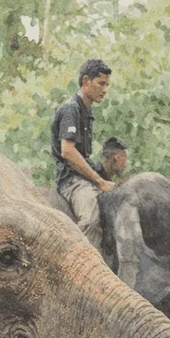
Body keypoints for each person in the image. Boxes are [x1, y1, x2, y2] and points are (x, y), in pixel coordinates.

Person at [51, 59, 114, 248]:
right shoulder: (71, 109)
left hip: (84, 178)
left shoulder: (86, 112)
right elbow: (68, 151)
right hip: (72, 181)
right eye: (101, 84)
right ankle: (83, 271)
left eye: (107, 85)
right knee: (91, 221)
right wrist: (100, 182)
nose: (104, 90)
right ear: (86, 81)